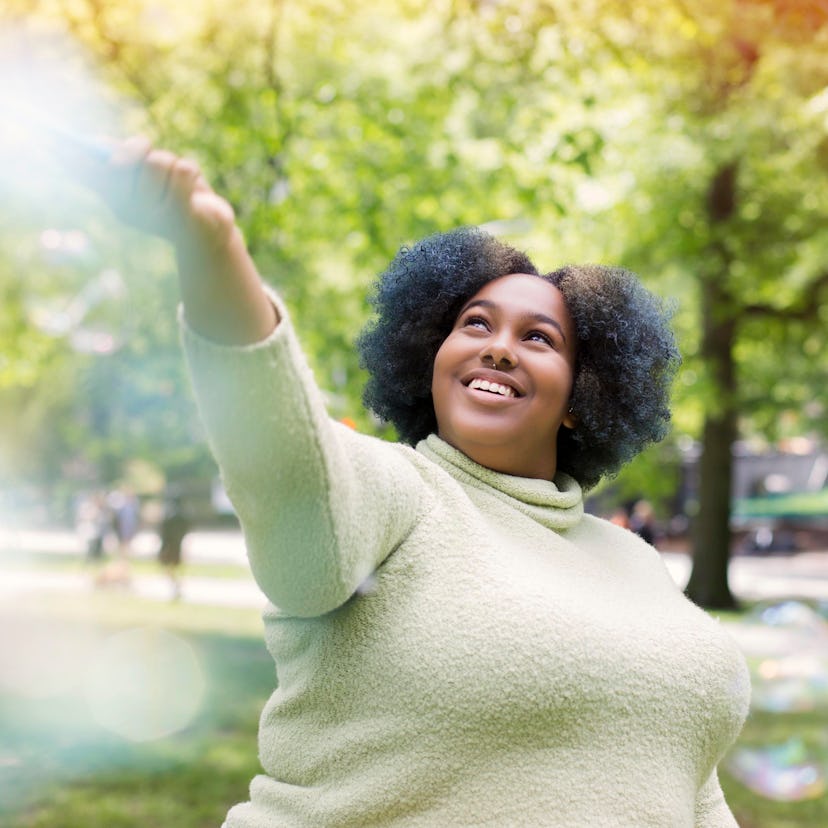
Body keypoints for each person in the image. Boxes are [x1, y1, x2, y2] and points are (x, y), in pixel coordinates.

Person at [78, 137, 750, 826]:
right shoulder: (396, 491)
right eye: (475, 325)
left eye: (538, 338)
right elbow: (282, 459)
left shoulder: (632, 560)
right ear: (430, 360)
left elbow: (686, 783)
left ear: (584, 397)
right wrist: (210, 246)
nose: (497, 346)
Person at [158, 494, 190, 600]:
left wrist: (163, 547)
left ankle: (176, 585)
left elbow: (164, 533)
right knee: (177, 567)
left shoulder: (169, 516)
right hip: (179, 544)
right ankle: (177, 585)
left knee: (169, 567)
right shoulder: (183, 516)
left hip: (170, 546)